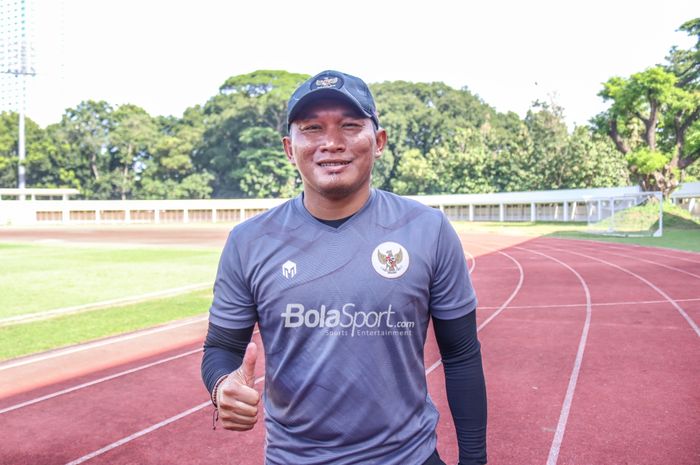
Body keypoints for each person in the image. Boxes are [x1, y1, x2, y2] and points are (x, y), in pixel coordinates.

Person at [201, 70, 487, 465]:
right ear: (289, 147)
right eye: (312, 128)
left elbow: (461, 355)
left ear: (379, 140)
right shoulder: (249, 241)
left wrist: (475, 460)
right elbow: (221, 348)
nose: (331, 143)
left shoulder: (428, 229)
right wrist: (221, 387)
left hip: (410, 457)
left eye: (350, 126)